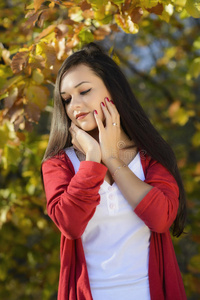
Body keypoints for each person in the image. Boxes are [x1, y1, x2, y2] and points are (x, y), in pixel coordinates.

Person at [41, 42, 187, 300]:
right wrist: (93, 161)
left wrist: (112, 158)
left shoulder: (150, 156)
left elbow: (161, 219)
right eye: (66, 99)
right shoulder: (58, 164)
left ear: (114, 90)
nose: (74, 105)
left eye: (84, 91)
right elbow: (70, 225)